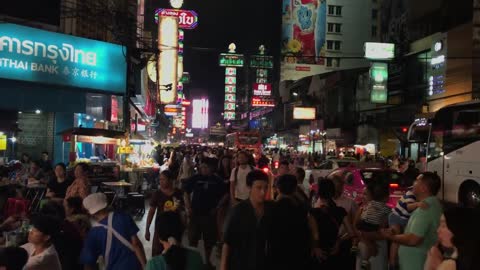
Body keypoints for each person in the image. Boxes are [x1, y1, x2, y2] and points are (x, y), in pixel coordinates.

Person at [381, 172, 443, 270]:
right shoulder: (433, 204)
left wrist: (391, 237)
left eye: (417, 181)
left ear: (423, 188)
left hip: (415, 264)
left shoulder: (424, 208)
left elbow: (413, 239)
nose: (413, 182)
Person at [220, 170, 272, 270]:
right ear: (249, 187)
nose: (263, 192)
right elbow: (227, 242)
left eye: (266, 188)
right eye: (259, 188)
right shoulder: (238, 211)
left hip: (263, 263)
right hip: (241, 263)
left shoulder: (271, 209)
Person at [80, 193, 146, 270]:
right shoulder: (124, 217)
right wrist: (144, 265)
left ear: (90, 212)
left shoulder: (93, 233)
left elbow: (88, 263)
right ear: (106, 204)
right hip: (134, 265)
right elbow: (136, 244)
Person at [183, 158, 227, 269]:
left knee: (209, 240)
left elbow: (226, 195)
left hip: (209, 215)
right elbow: (185, 192)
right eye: (201, 167)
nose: (203, 169)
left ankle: (208, 262)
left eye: (205, 167)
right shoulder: (195, 178)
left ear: (212, 168)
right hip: (195, 214)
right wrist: (188, 207)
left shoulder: (217, 180)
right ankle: (192, 262)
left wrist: (217, 207)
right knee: (193, 239)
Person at [267, 174, 311, 270]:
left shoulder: (271, 208)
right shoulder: (301, 209)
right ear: (295, 189)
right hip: (297, 256)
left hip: (276, 256)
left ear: (278, 188)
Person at [310, 178, 355, 269]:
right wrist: (339, 241)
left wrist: (315, 247)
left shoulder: (313, 212)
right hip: (334, 249)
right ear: (332, 192)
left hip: (320, 252)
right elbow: (351, 232)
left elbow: (315, 234)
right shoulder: (340, 211)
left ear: (319, 192)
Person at [145, 170, 185, 256]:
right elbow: (151, 212)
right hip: (161, 228)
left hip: (175, 228)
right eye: (160, 179)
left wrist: (183, 225)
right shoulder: (157, 194)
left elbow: (182, 212)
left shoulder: (178, 193)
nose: (161, 182)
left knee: (174, 252)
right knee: (158, 252)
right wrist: (147, 229)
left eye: (163, 179)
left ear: (170, 180)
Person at [354, 181, 391, 270]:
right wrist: (369, 243)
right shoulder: (362, 209)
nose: (363, 197)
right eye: (363, 194)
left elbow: (382, 229)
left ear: (373, 196)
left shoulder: (372, 209)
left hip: (378, 247)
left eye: (366, 194)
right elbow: (356, 228)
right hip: (366, 245)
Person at [387, 188, 427, 269]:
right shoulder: (410, 194)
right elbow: (408, 206)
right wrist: (418, 204)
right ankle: (392, 263)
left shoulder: (418, 197)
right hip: (396, 217)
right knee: (396, 239)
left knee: (403, 240)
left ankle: (397, 261)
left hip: (405, 220)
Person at [330, 175, 358, 269]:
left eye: (339, 187)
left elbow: (355, 224)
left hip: (345, 242)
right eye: (335, 187)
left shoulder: (350, 203)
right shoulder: (323, 201)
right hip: (329, 242)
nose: (337, 191)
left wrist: (342, 240)